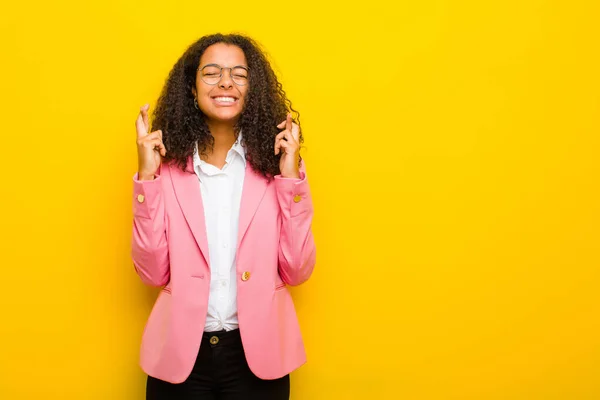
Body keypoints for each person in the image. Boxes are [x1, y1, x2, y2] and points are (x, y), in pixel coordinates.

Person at [131, 33, 316, 400]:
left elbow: (298, 270)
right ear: (192, 87)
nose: (226, 82)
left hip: (257, 358)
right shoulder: (165, 169)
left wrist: (290, 176)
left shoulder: (275, 167)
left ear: (254, 88)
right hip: (181, 357)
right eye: (212, 72)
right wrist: (147, 178)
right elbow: (151, 273)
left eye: (239, 74)